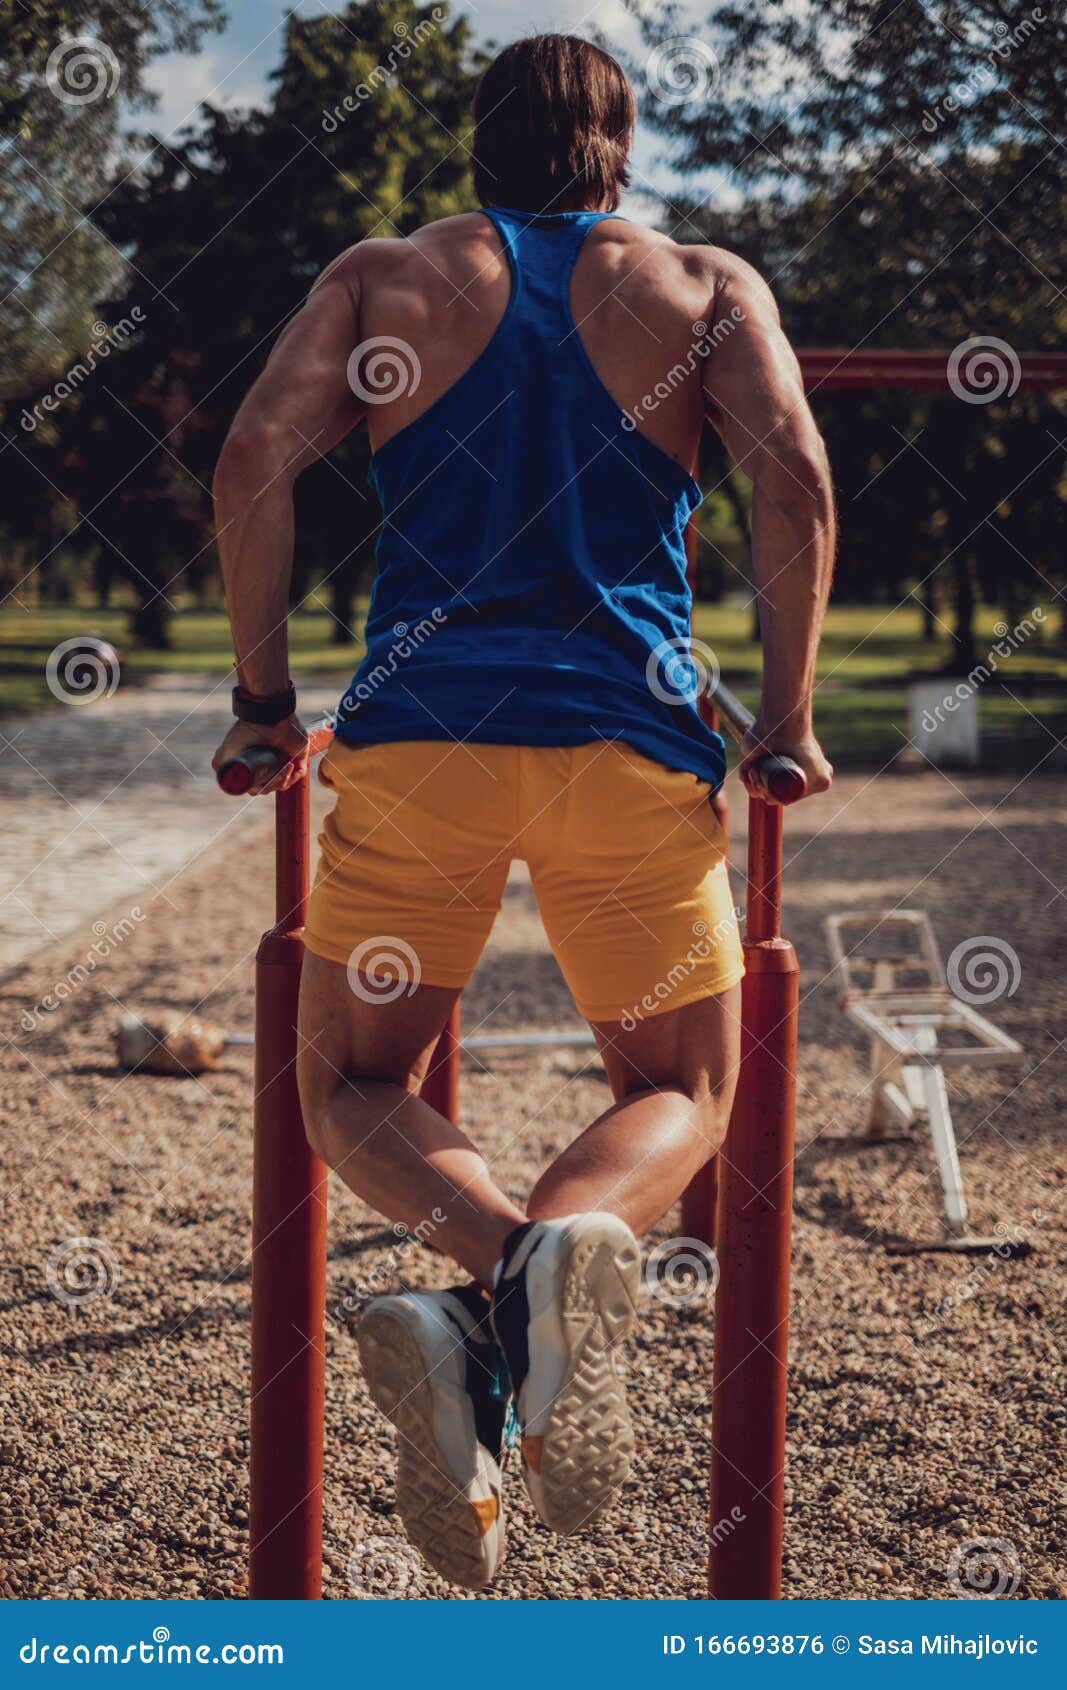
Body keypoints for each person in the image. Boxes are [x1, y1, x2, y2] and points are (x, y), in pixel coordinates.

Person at [212, 33, 834, 1590]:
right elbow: (800, 484)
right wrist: (786, 721)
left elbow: (248, 460)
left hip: (421, 743)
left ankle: (493, 1273)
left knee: (348, 1084)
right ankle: (545, 1266)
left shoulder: (384, 277)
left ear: (477, 143)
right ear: (617, 144)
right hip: (629, 742)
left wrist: (266, 702)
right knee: (689, 1081)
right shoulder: (702, 284)